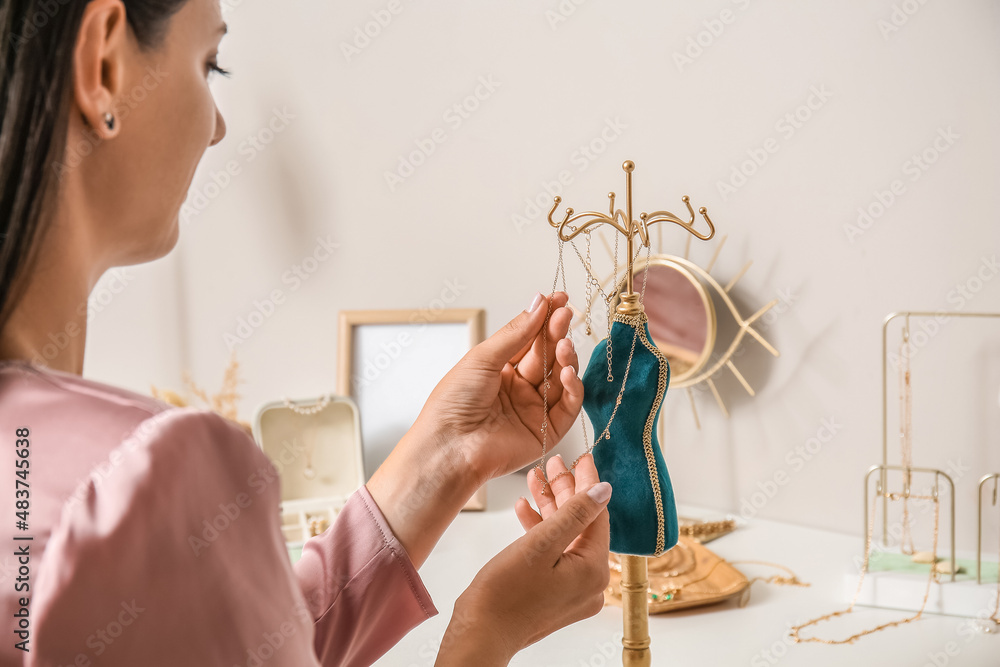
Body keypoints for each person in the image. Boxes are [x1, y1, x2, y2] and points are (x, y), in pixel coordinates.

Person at [0, 1, 613, 665]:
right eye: (210, 64)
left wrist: (448, 454)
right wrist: (487, 628)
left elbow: (231, 644)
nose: (218, 128)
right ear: (104, 66)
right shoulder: (150, 483)